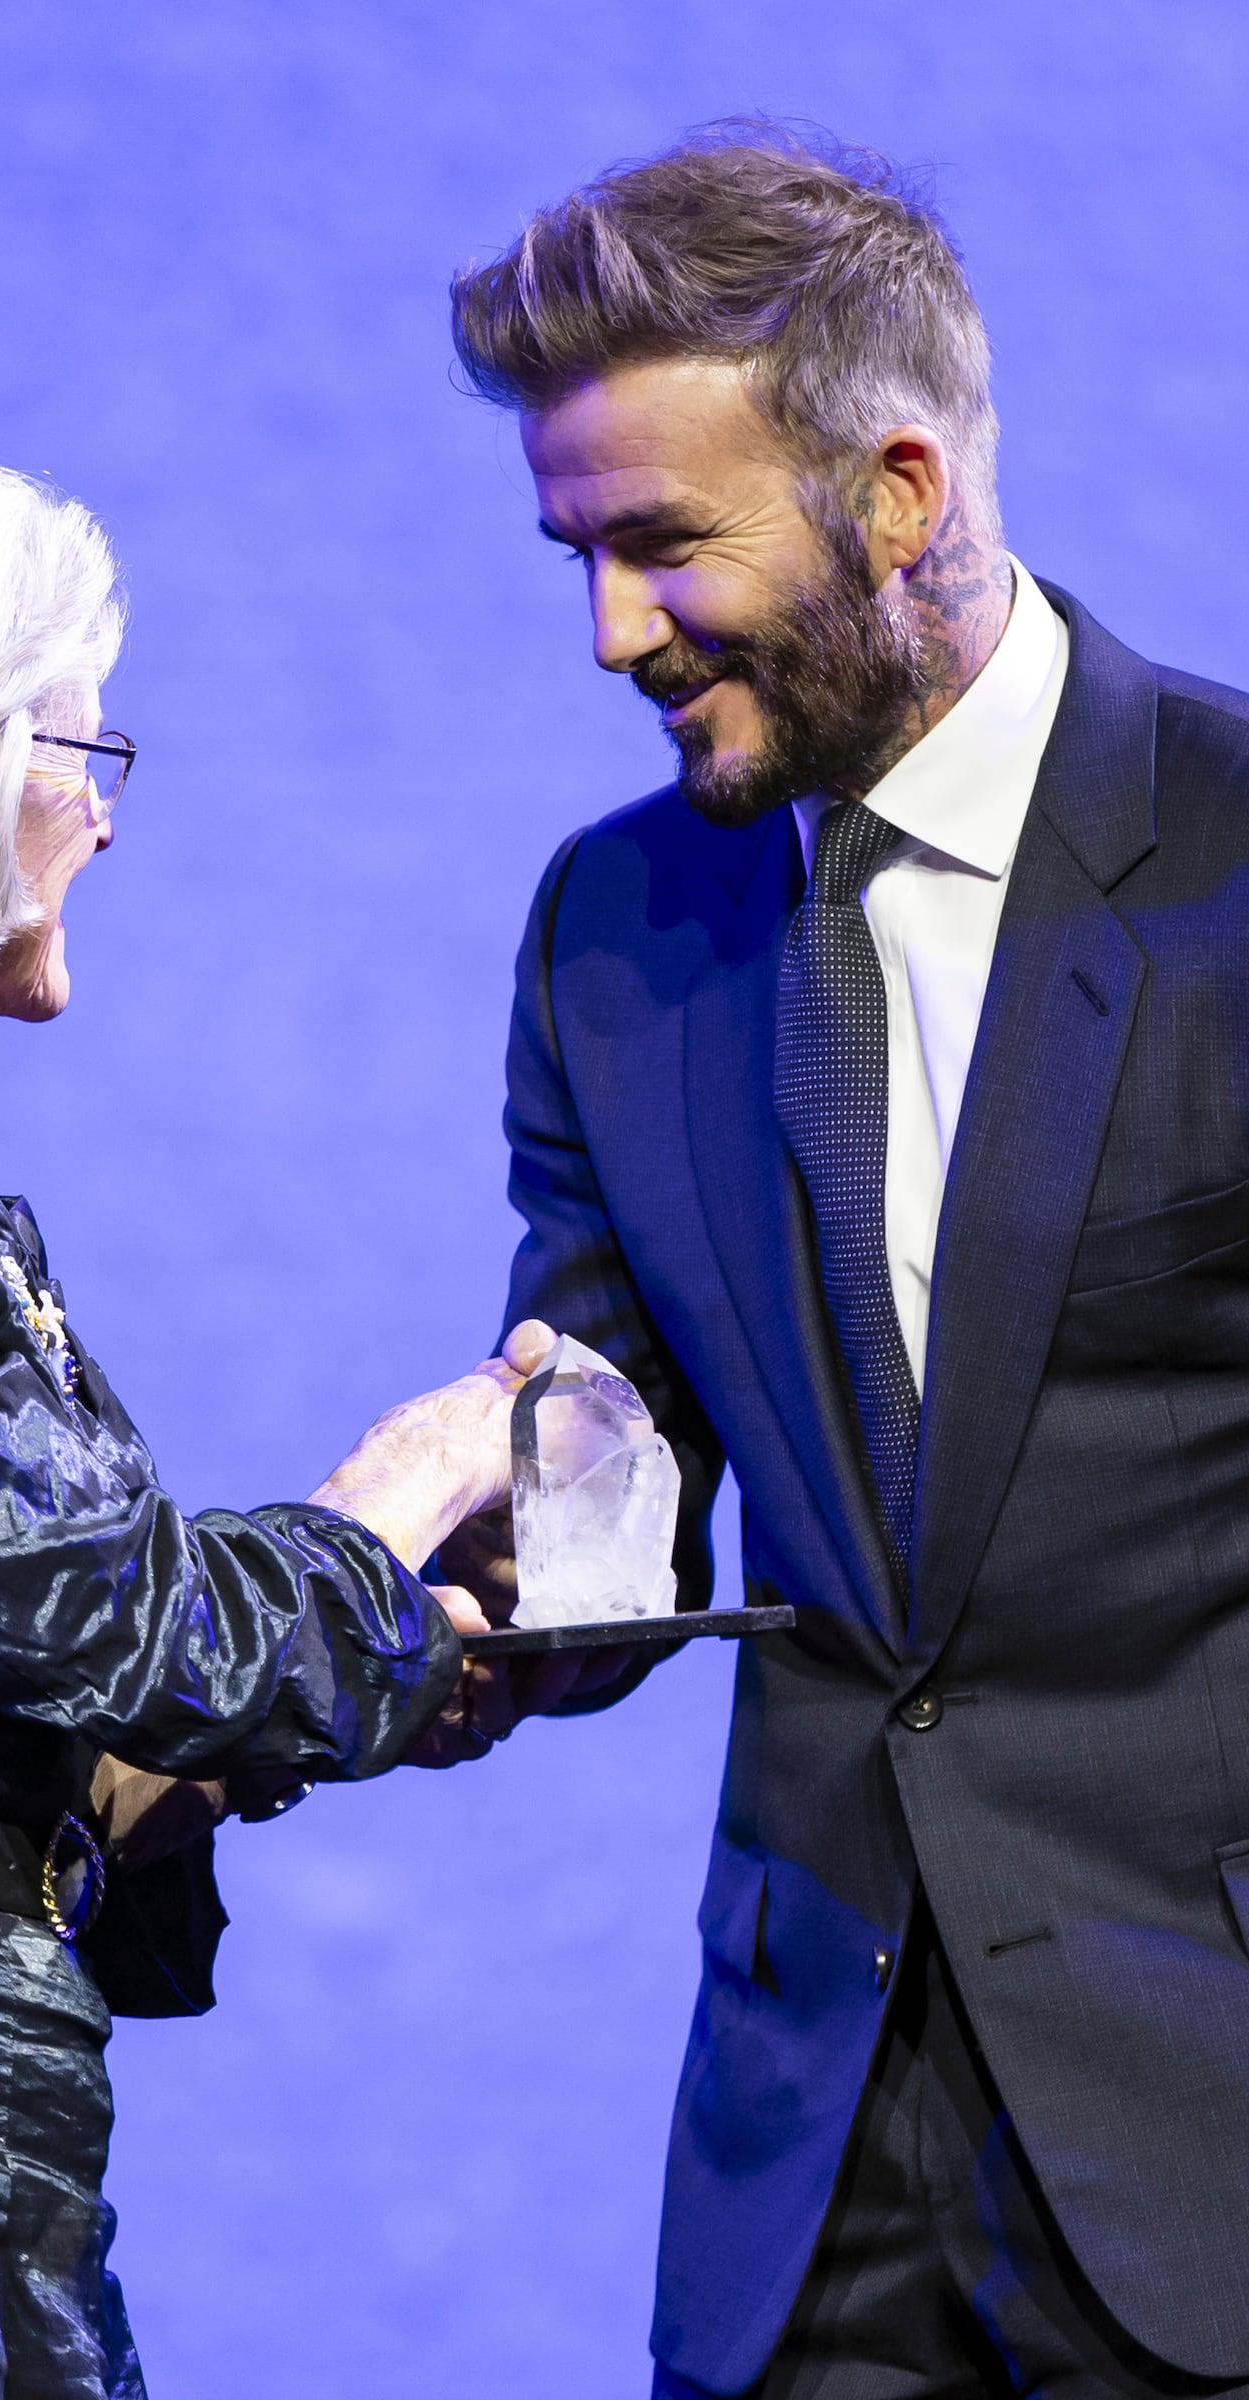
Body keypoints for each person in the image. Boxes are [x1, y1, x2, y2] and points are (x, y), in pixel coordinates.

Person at [445, 124, 1249, 2398]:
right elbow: (607, 1465)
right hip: (800, 2193)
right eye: (572, 553)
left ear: (897, 495)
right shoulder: (611, 928)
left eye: (658, 546)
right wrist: (414, 1596)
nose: (607, 630)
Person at [0, 444, 548, 2398]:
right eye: (81, 751)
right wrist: (411, 1481)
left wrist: (262, 1733)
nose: (103, 826)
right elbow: (132, 1628)